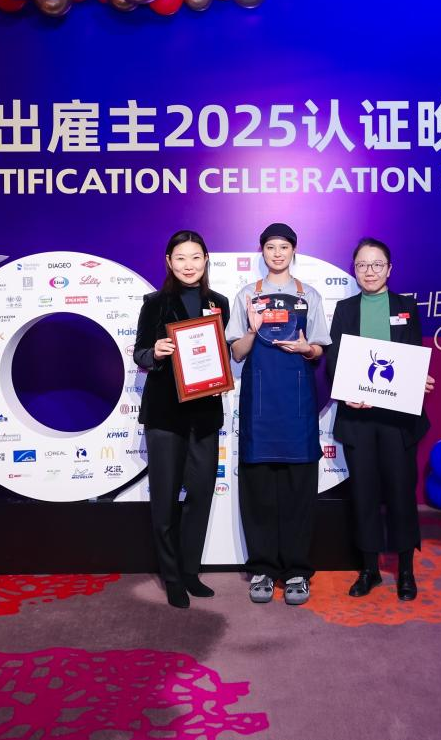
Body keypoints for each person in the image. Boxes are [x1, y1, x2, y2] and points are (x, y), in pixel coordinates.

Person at [227, 223, 331, 605]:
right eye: (270, 247)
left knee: (298, 492)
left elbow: (319, 349)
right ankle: (263, 569)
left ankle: (297, 571)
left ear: (293, 251)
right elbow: (237, 353)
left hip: (298, 407)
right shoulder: (247, 295)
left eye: (283, 247)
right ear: (262, 251)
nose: (277, 253)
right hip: (259, 407)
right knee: (259, 494)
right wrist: (252, 331)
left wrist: (307, 349)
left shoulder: (309, 295)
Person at [325, 237, 434, 601]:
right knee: (364, 494)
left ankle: (406, 570)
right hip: (358, 419)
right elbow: (334, 362)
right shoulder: (345, 309)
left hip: (397, 420)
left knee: (402, 493)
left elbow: (413, 355)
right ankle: (369, 569)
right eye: (362, 265)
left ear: (389, 269)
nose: (369, 271)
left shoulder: (406, 307)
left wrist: (419, 380)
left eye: (376, 264)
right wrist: (345, 391)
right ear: (354, 270)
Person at [133, 230, 231, 609]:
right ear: (169, 262)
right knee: (165, 499)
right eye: (180, 258)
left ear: (205, 260)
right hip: (165, 415)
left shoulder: (219, 303)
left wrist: (221, 373)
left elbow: (222, 354)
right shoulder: (154, 304)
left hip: (205, 415)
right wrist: (155, 351)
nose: (188, 265)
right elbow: (140, 352)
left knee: (201, 495)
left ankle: (190, 571)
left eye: (195, 257)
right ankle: (172, 577)